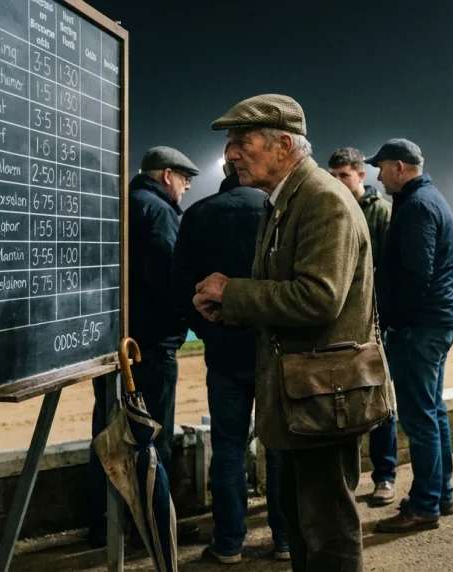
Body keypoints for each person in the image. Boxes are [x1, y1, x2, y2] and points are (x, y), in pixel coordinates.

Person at [192, 94, 379, 572]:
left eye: (241, 141)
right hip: (302, 399)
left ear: (283, 145)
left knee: (328, 531)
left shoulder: (321, 200)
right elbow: (282, 289)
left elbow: (319, 298)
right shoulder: (285, 200)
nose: (231, 153)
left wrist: (233, 292)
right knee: (301, 525)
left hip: (321, 398)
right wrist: (229, 308)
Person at [171, 146, 290, 564]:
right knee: (278, 448)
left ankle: (228, 543)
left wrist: (208, 329)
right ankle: (284, 539)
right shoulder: (277, 210)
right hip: (272, 349)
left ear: (225, 169)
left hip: (223, 352)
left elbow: (181, 284)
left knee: (227, 450)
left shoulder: (200, 214)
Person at [88, 147, 200, 547]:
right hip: (147, 346)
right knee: (151, 438)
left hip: (106, 342)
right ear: (166, 175)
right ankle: (151, 527)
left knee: (107, 433)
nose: (187, 186)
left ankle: (103, 524)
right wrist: (188, 317)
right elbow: (167, 276)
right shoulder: (157, 212)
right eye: (185, 178)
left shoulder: (115, 204)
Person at [367, 139, 453, 533]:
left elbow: (415, 276)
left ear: (400, 168)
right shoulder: (429, 199)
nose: (378, 174)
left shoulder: (418, 206)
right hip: (434, 323)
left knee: (420, 418)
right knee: (433, 412)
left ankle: (424, 505)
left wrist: (393, 320)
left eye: (382, 167)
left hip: (419, 327)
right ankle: (440, 494)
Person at [327, 147, 398, 506]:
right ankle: (347, 480)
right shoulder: (328, 207)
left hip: (375, 325)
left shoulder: (381, 212)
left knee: (381, 401)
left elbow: (387, 270)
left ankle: (385, 476)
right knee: (345, 403)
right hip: (338, 327)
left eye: (344, 175)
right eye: (334, 175)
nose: (338, 181)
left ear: (361, 176)